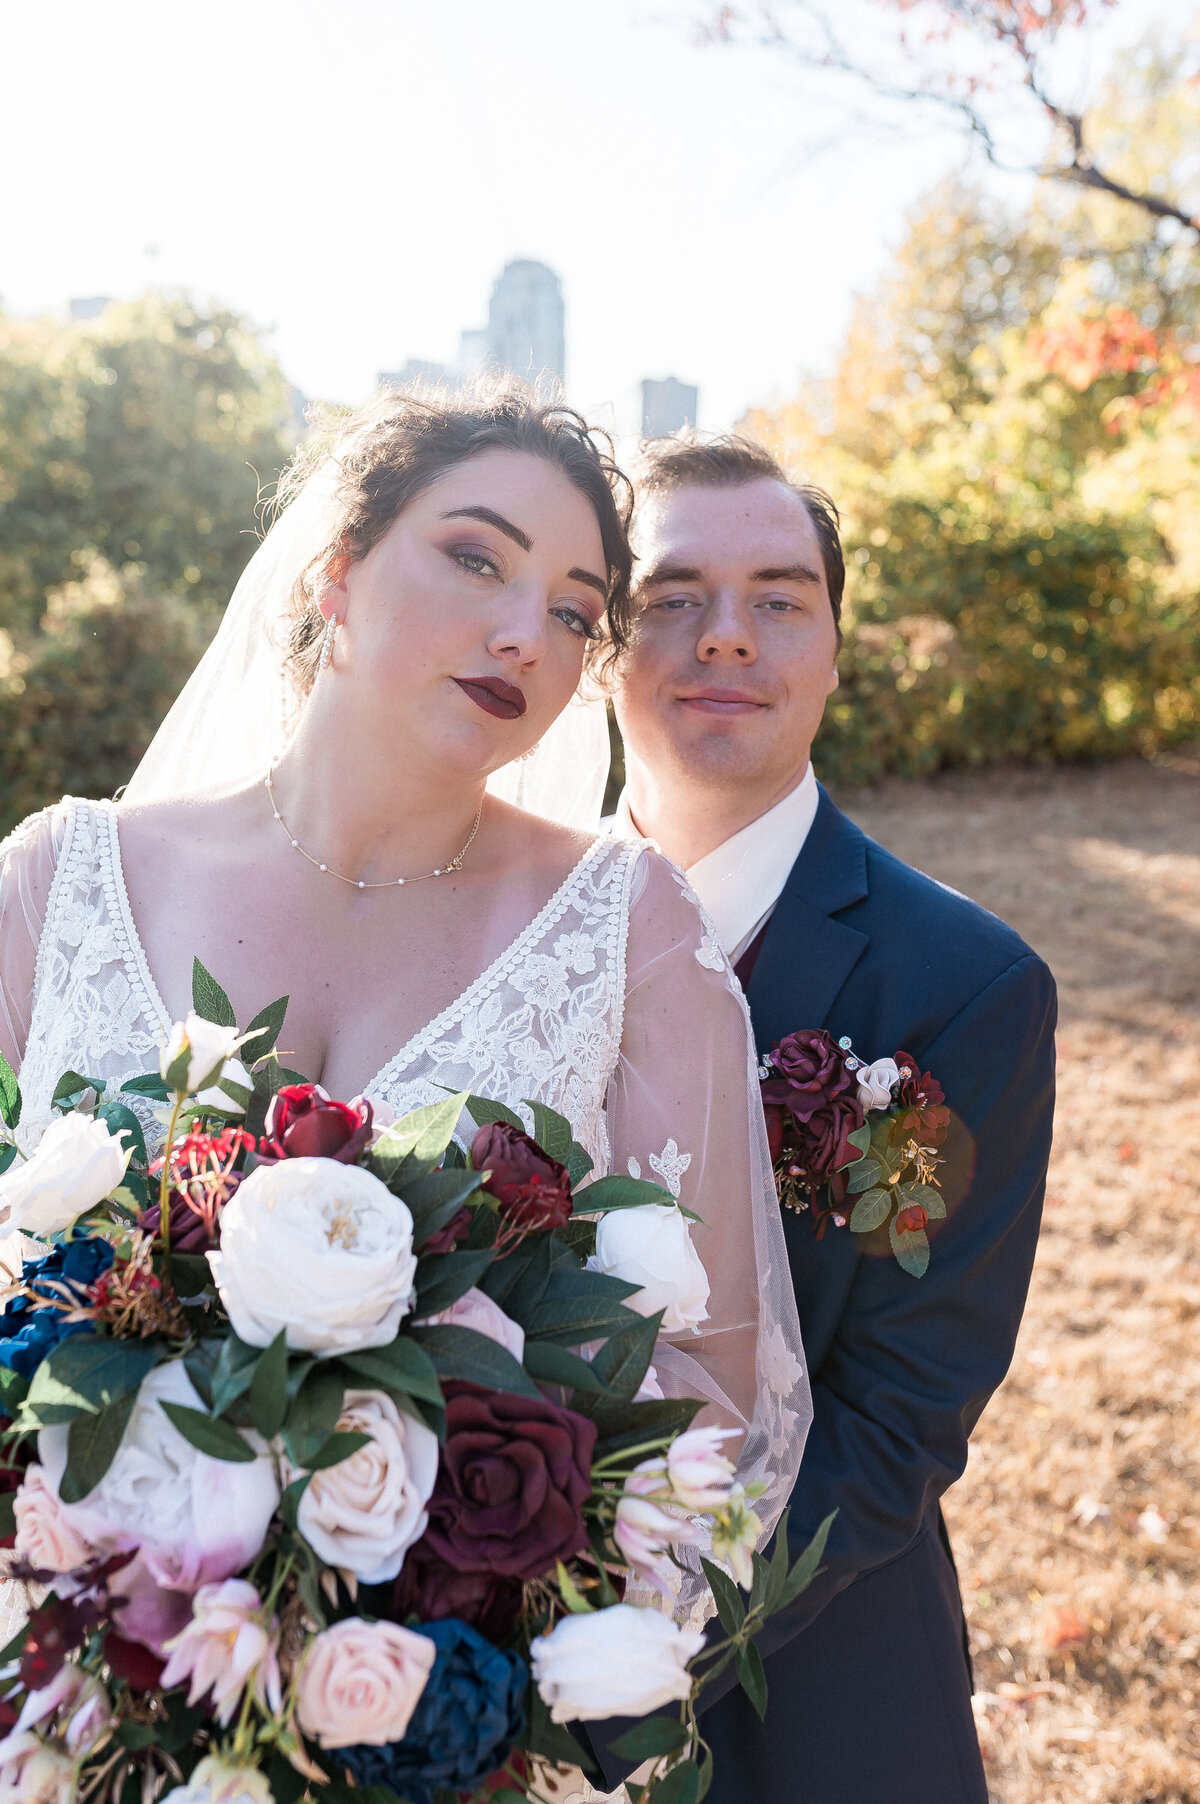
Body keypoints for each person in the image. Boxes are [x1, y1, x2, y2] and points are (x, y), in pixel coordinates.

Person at [0, 388, 808, 1570]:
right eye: (477, 558)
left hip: (439, 1696)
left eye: (578, 615)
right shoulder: (55, 881)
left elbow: (710, 1378)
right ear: (336, 574)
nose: (530, 634)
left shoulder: (630, 931)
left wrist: (441, 1625)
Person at [603, 435, 1057, 1804]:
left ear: (836, 646)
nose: (724, 636)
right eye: (670, 594)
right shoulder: (489, 919)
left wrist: (634, 1639)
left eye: (779, 596)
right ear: (599, 637)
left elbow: (904, 1407)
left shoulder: (959, 987)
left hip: (805, 1670)